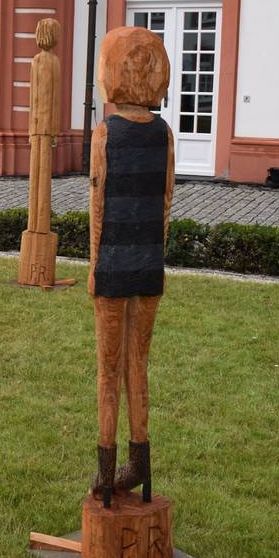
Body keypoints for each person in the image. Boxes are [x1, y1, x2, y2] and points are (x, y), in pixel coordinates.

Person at [88, 26, 175, 508]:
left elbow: (97, 207)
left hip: (113, 266)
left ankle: (107, 469)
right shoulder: (164, 134)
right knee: (138, 364)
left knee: (108, 372)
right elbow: (165, 205)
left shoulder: (106, 134)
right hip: (149, 266)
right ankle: (139, 459)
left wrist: (94, 266)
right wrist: (156, 257)